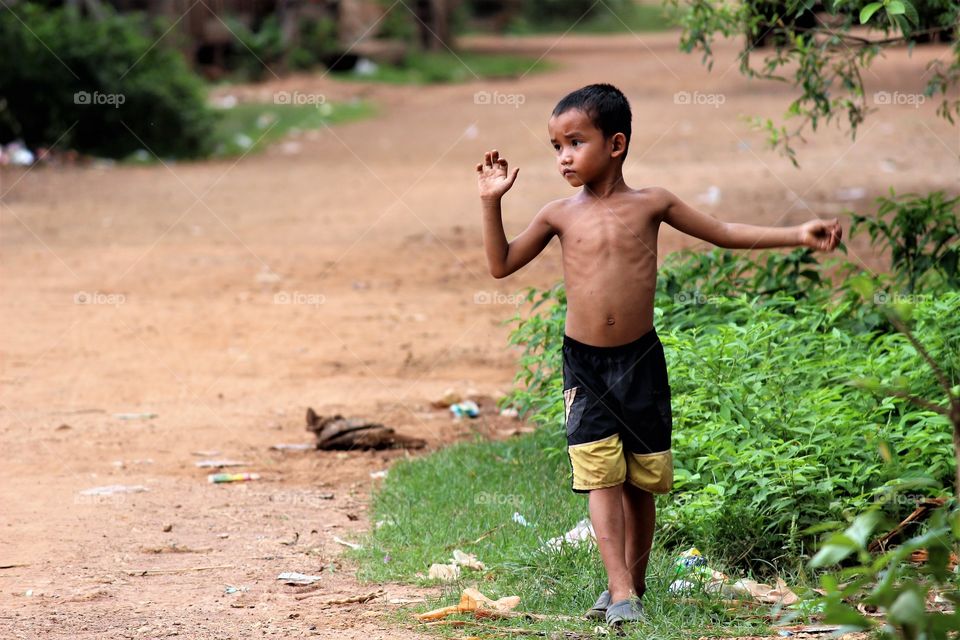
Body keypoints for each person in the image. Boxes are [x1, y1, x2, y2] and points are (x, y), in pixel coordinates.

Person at [475, 83, 842, 626]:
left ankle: (635, 583)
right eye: (556, 147)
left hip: (640, 360)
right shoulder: (557, 215)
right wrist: (491, 203)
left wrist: (798, 234)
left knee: (641, 479)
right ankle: (619, 589)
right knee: (600, 474)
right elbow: (500, 264)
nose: (563, 157)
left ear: (616, 144)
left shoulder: (653, 203)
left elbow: (725, 233)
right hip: (586, 364)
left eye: (575, 142)